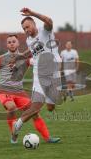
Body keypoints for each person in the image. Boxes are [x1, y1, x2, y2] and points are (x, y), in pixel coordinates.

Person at [12, 8, 62, 143]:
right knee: (36, 106)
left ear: (33, 24)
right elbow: (32, 51)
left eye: (27, 26)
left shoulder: (45, 31)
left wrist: (32, 13)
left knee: (51, 108)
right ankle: (18, 124)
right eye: (23, 29)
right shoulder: (29, 40)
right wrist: (20, 57)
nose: (26, 30)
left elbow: (49, 20)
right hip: (39, 74)